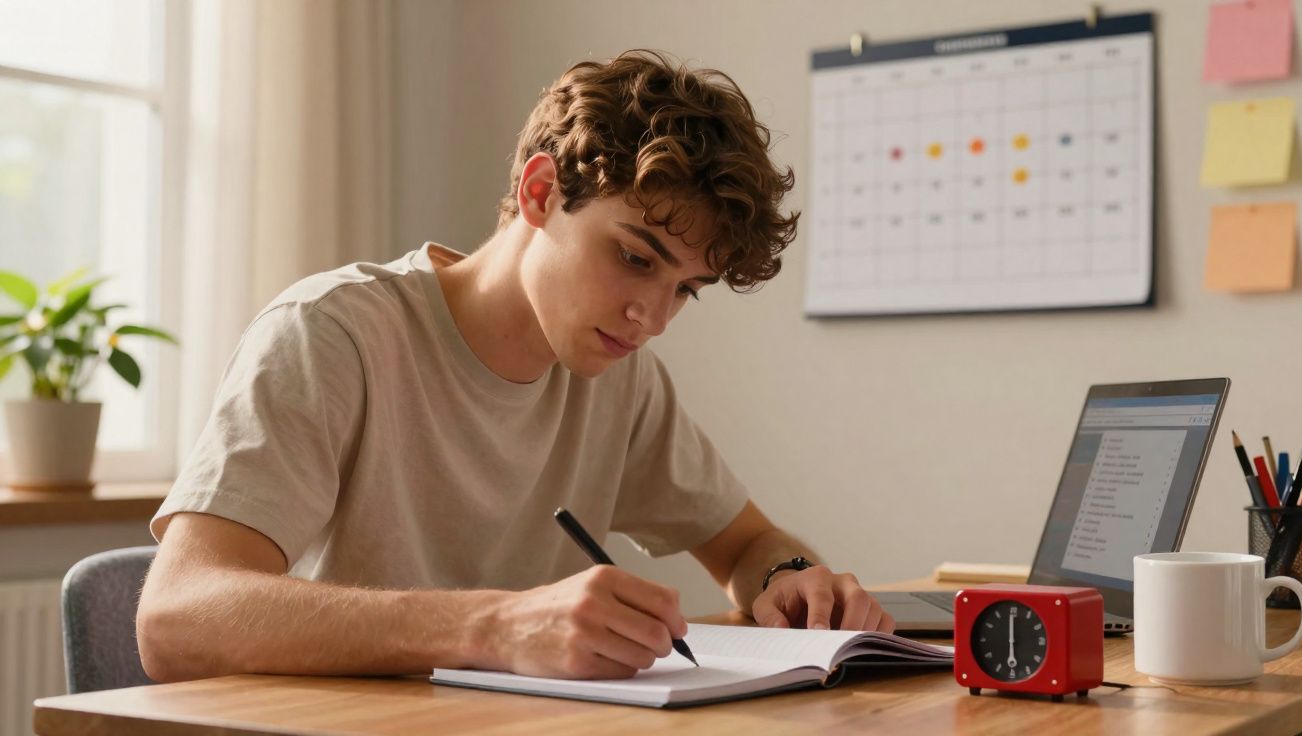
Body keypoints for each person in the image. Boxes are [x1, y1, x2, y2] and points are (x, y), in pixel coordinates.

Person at [137, 49, 894, 683]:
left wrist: (792, 579)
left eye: (684, 291)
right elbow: (175, 618)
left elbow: (744, 547)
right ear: (539, 192)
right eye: (634, 258)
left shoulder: (620, 378)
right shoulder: (332, 334)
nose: (652, 319)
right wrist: (493, 626)